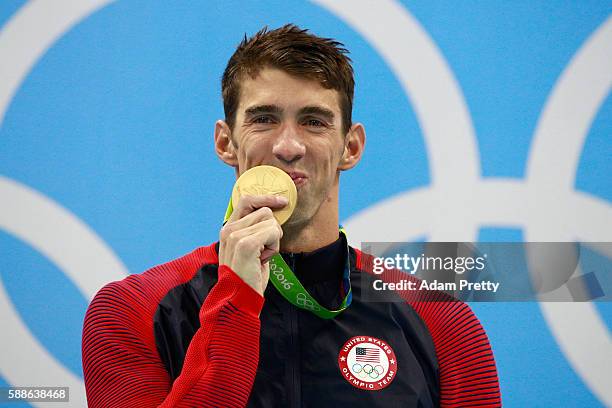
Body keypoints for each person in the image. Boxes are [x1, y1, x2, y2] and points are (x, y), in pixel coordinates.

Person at [82, 24, 501, 407]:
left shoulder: (439, 318)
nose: (288, 146)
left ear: (350, 148)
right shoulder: (133, 310)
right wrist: (236, 300)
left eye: (314, 122)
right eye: (264, 119)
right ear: (226, 142)